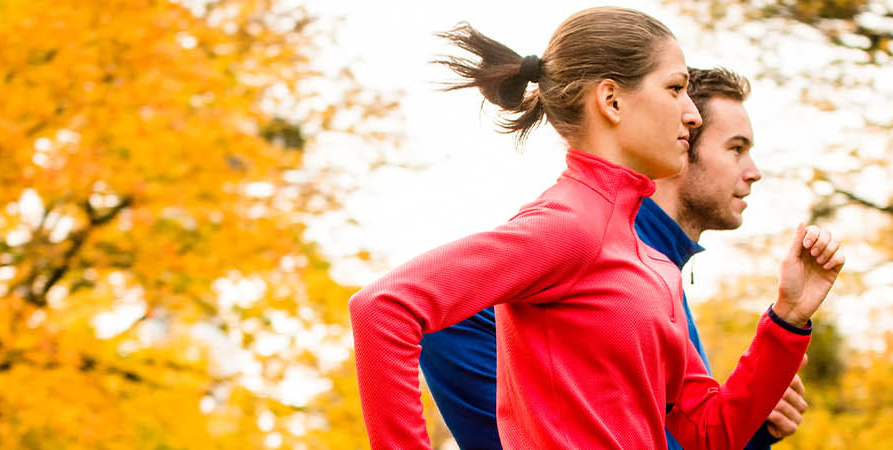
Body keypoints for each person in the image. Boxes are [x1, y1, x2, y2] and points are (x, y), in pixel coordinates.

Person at [348, 7, 847, 449]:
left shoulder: (655, 262)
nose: (691, 114)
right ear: (611, 99)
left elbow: (708, 435)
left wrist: (786, 320)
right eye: (675, 89)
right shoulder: (566, 227)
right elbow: (384, 308)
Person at [418, 67, 809, 450]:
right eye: (736, 149)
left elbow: (691, 435)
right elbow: (442, 323)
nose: (754, 172)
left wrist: (753, 424)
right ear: (683, 144)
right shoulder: (586, 242)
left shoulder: (658, 269)